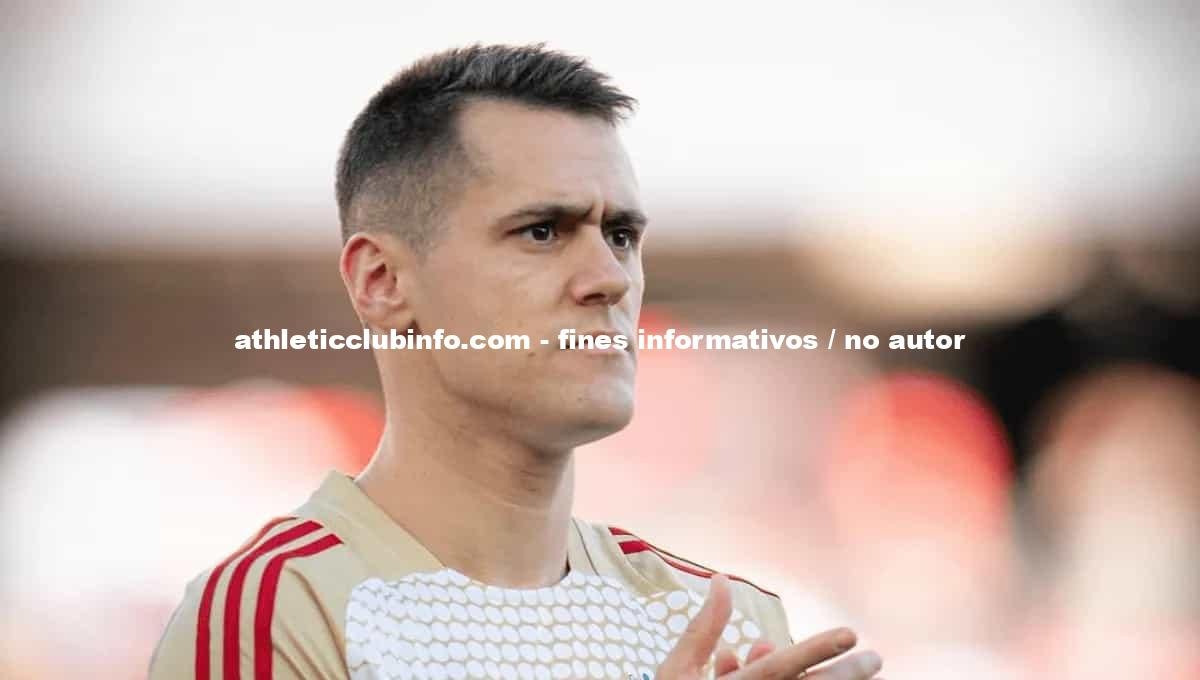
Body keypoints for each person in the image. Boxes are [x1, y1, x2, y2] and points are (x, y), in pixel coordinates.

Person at [148, 44, 883, 680]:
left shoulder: (726, 623)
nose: (611, 279)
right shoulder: (278, 611)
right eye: (542, 231)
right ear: (382, 281)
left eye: (621, 236)